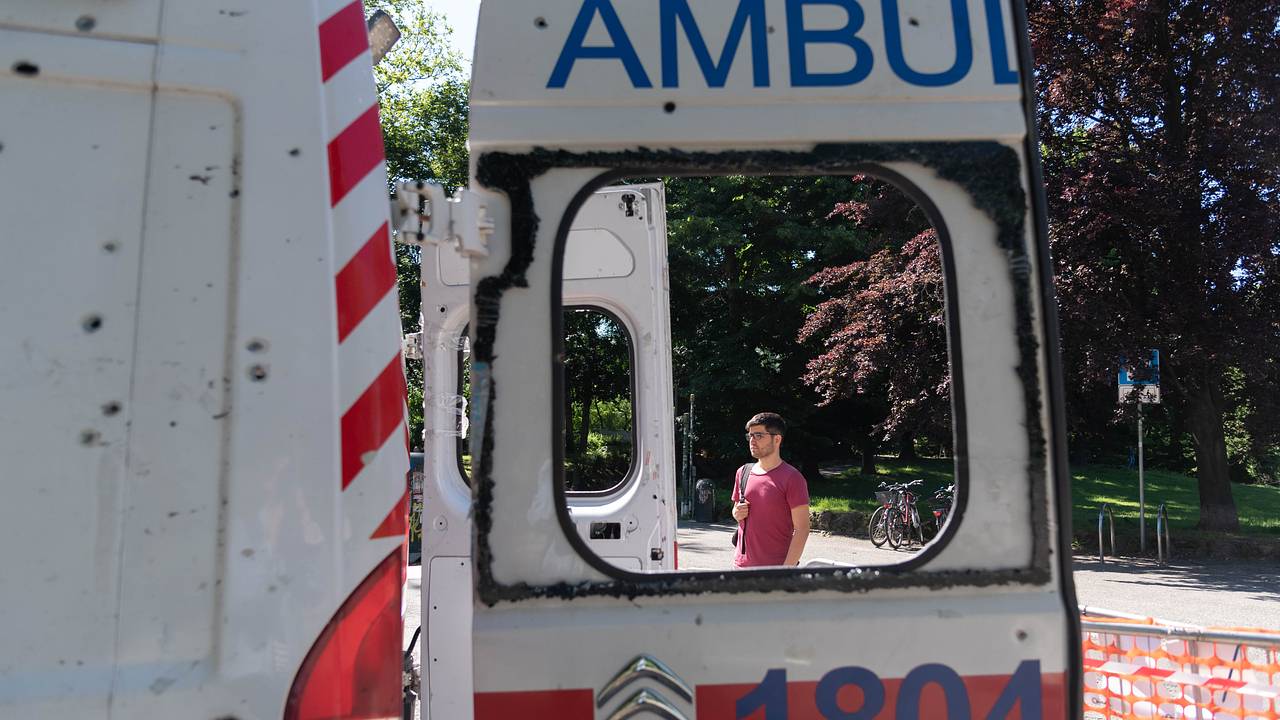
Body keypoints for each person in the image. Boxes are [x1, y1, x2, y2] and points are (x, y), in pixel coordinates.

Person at [731, 412, 810, 568]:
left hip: (775, 571)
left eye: (758, 435)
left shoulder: (792, 478)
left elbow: (802, 529)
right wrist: (736, 513)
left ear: (777, 439)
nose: (752, 441)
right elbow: (735, 512)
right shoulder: (743, 472)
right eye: (750, 436)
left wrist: (785, 570)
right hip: (739, 567)